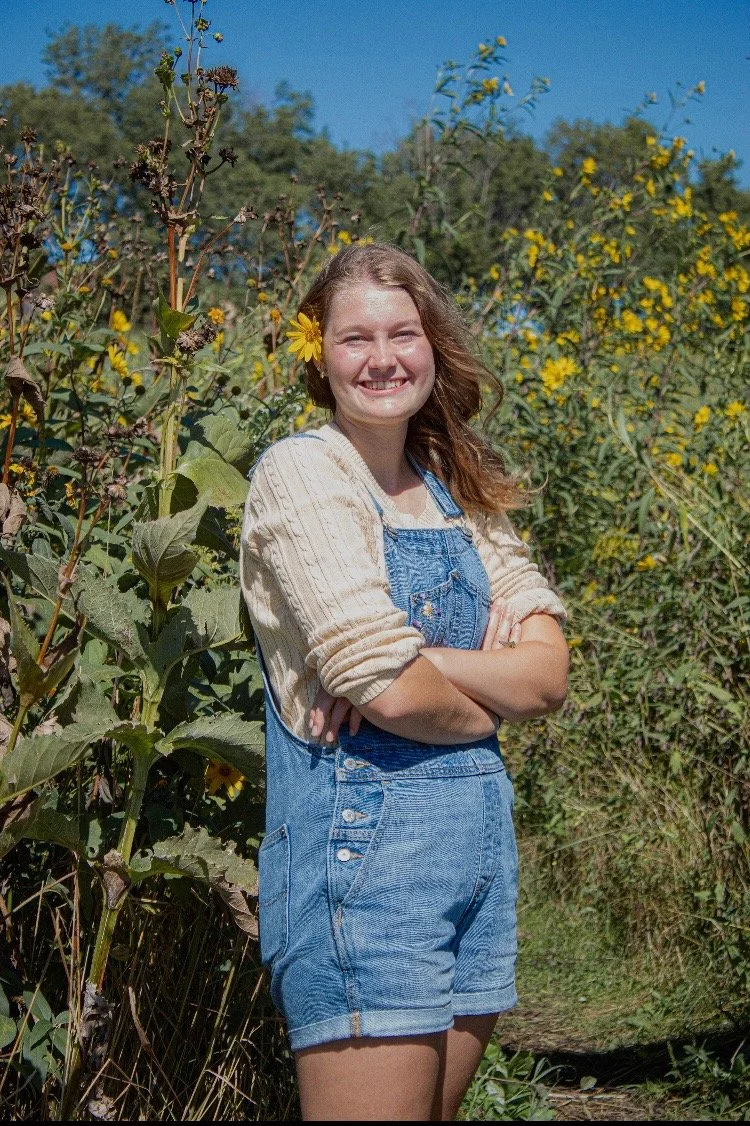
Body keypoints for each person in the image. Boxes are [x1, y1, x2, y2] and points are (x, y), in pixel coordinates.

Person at [240, 243, 568, 1121]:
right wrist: (456, 683)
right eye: (354, 338)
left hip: (475, 868)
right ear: (319, 353)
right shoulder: (303, 473)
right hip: (363, 873)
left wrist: (429, 665)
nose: (382, 358)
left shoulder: (458, 487)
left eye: (402, 333)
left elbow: (547, 677)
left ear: (434, 345)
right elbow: (384, 689)